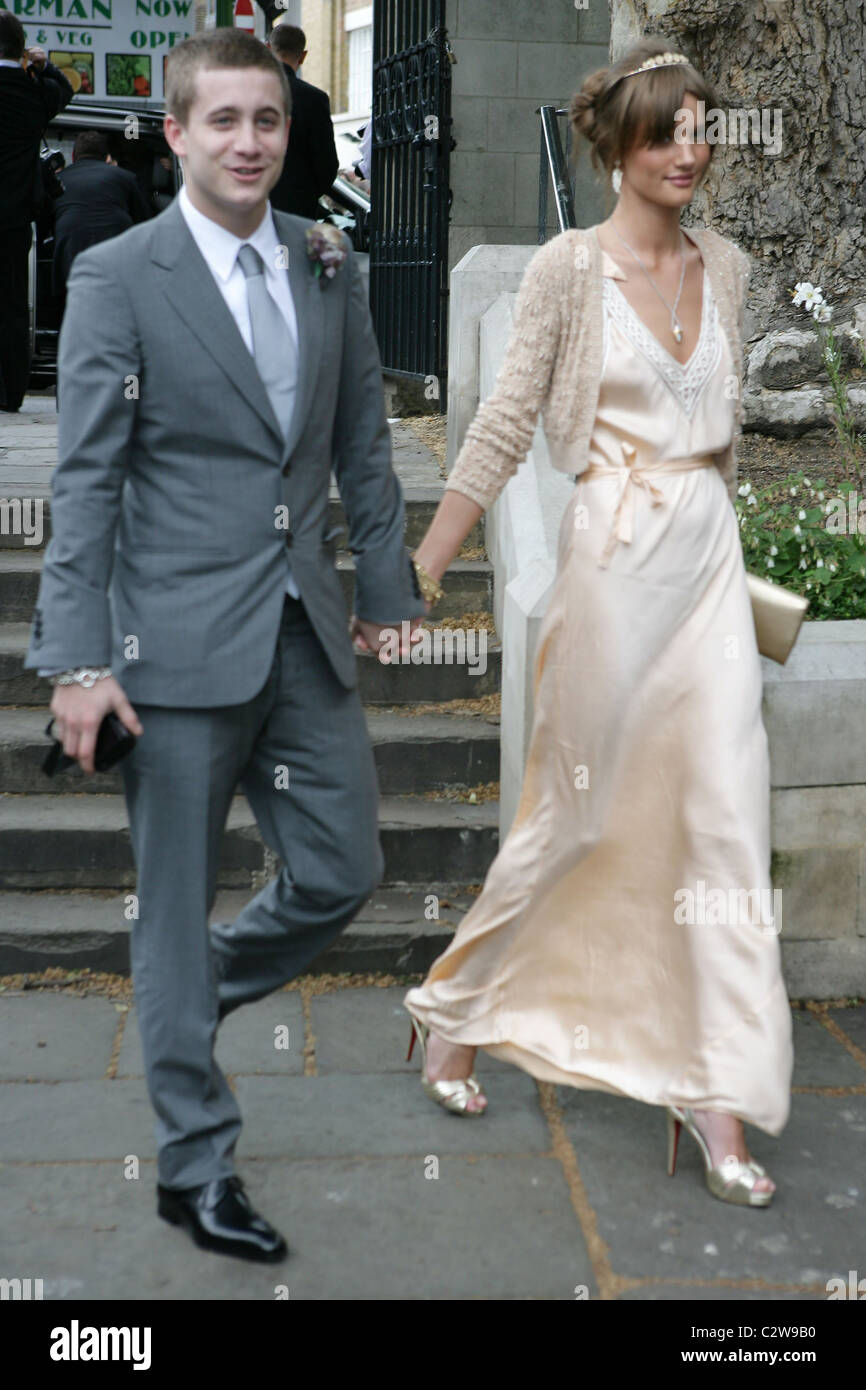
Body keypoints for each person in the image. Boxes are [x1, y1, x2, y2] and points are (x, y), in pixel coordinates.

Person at [25, 28, 426, 1262]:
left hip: (303, 630)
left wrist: (389, 586)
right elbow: (86, 479)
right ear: (176, 133)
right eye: (224, 122)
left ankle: (179, 993)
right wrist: (78, 661)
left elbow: (360, 436)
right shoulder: (119, 275)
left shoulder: (326, 259)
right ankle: (195, 1169)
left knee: (341, 868)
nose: (250, 142)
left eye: (268, 121)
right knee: (172, 909)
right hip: (171, 643)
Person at [403, 37, 794, 1209]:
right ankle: (453, 1016)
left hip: (705, 574)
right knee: (577, 819)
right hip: (610, 573)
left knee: (722, 828)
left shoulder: (723, 265)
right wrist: (425, 563)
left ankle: (712, 1092)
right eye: (665, 129)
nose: (689, 149)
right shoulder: (568, 270)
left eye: (700, 128)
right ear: (616, 141)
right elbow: (506, 419)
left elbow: (720, 434)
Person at [0, 13, 73, 412]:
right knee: (12, 304)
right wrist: (45, 68)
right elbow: (64, 92)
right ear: (21, 47)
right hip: (14, 215)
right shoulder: (34, 91)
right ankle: (11, 392)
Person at [52, 129, 151, 301]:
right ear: (107, 157)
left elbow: (45, 222)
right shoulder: (125, 177)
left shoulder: (59, 181)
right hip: (117, 255)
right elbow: (144, 221)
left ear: (74, 157)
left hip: (70, 255)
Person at [267, 22, 338, 221]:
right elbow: (327, 166)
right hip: (296, 214)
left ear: (267, 49)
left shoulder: (243, 92)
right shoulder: (314, 99)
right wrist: (303, 195)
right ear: (303, 56)